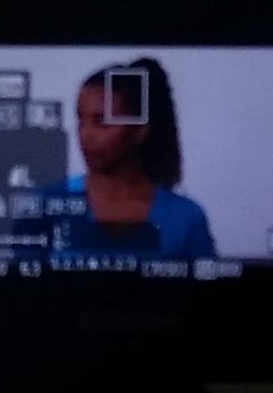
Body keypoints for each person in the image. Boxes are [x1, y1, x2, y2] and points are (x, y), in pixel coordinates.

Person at [49, 57, 222, 269]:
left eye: (101, 121)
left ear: (141, 129)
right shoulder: (46, 205)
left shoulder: (186, 218)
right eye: (80, 120)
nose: (85, 135)